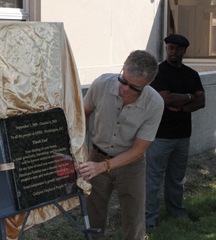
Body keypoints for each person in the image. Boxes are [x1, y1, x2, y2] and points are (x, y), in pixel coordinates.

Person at [78, 50, 164, 240]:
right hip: (97, 156)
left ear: (148, 84)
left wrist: (104, 167)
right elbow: (82, 114)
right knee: (93, 216)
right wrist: (80, 150)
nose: (125, 89)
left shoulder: (155, 103)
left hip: (131, 164)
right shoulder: (101, 84)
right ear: (123, 69)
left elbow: (139, 149)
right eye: (123, 80)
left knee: (134, 219)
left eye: (134, 87)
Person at [145, 34, 205, 228]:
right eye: (170, 48)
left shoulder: (191, 74)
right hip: (160, 136)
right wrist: (189, 96)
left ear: (184, 51)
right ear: (166, 48)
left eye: (177, 49)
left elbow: (202, 101)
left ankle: (176, 211)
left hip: (182, 135)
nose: (173, 51)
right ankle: (149, 219)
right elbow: (165, 99)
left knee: (177, 179)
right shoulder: (159, 72)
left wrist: (181, 106)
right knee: (153, 179)